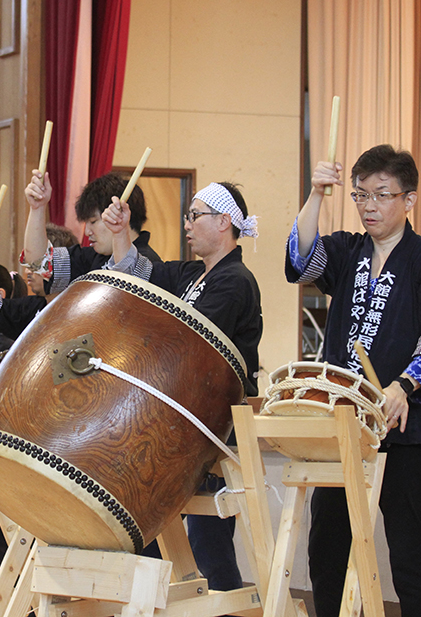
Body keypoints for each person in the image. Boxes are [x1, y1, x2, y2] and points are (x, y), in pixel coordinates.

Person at [287, 145, 421, 617]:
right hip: (343, 426)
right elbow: (301, 261)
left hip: (404, 432)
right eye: (361, 195)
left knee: (408, 556)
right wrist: (316, 195)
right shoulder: (346, 250)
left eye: (382, 195)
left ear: (409, 200)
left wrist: (403, 386)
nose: (369, 206)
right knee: (327, 552)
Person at [104, 182, 262, 591]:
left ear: (224, 222)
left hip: (214, 428)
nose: (187, 224)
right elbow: (140, 276)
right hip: (180, 425)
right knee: (153, 537)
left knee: (210, 551)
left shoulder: (236, 281)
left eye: (195, 215)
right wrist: (121, 234)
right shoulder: (192, 274)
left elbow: (189, 345)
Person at [22, 171, 162, 296]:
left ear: (122, 215)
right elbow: (38, 261)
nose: (87, 232)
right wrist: (37, 208)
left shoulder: (147, 266)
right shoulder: (92, 257)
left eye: (93, 221)